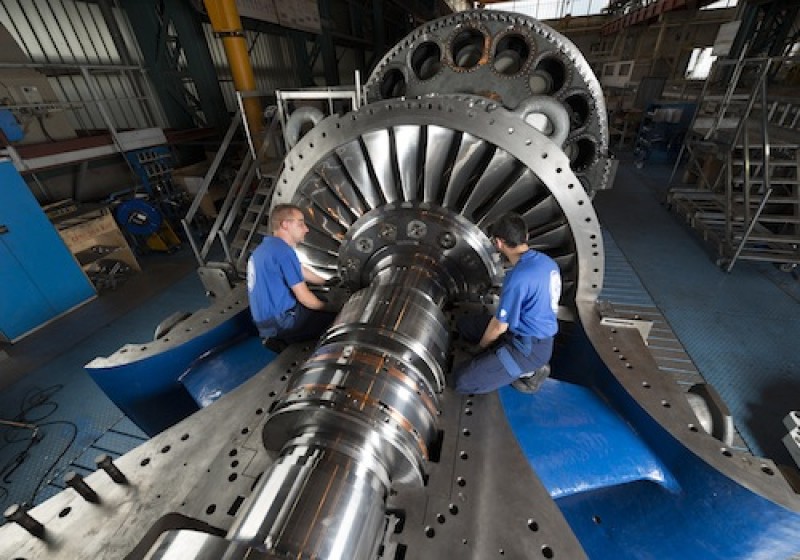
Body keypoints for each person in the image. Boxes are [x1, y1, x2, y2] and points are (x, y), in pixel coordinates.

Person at [452, 212, 561, 394]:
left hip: (528, 349)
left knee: (461, 381)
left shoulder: (518, 277)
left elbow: (498, 327)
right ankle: (499, 353)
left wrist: (480, 349)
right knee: (464, 325)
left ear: (498, 243)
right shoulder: (547, 262)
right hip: (521, 329)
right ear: (526, 236)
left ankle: (531, 372)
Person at [247, 203, 339, 347]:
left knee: (319, 299)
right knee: (336, 319)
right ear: (285, 225)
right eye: (300, 224)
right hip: (283, 324)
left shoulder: (266, 248)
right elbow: (305, 298)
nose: (306, 229)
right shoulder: (284, 252)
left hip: (265, 324)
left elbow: (300, 270)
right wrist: (334, 308)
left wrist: (328, 281)